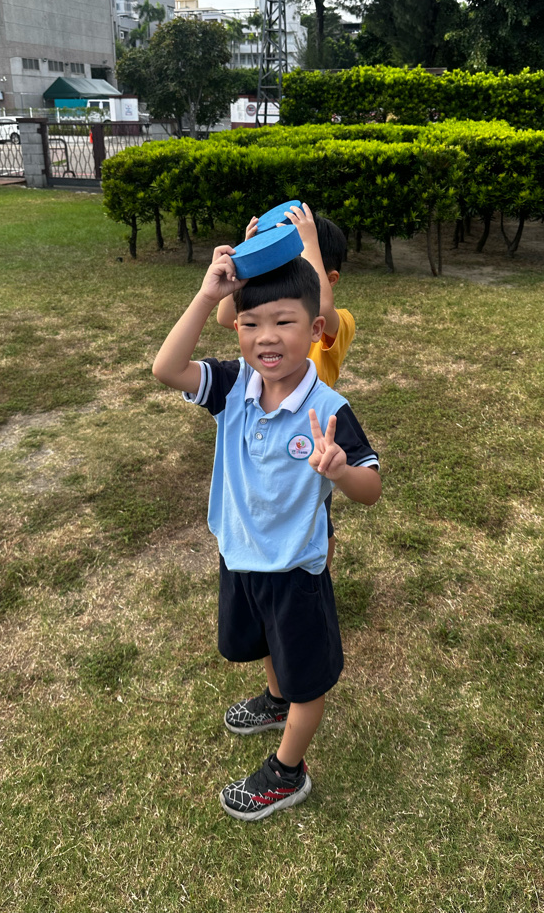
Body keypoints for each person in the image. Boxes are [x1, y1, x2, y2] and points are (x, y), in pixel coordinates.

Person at [152, 249, 381, 821]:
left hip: (295, 570)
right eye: (251, 323)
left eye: (284, 321)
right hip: (239, 555)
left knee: (308, 681)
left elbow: (371, 488)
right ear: (236, 329)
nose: (267, 337)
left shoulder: (329, 408)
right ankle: (276, 701)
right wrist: (208, 296)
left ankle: (287, 771)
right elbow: (167, 369)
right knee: (265, 646)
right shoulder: (234, 385)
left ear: (316, 329)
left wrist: (340, 470)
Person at [217, 202, 355, 569]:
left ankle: (317, 572)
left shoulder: (338, 321)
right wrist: (247, 258)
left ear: (330, 278)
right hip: (267, 419)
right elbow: (225, 315)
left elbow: (322, 306)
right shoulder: (272, 312)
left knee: (315, 517)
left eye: (302, 263)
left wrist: (308, 240)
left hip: (311, 434)